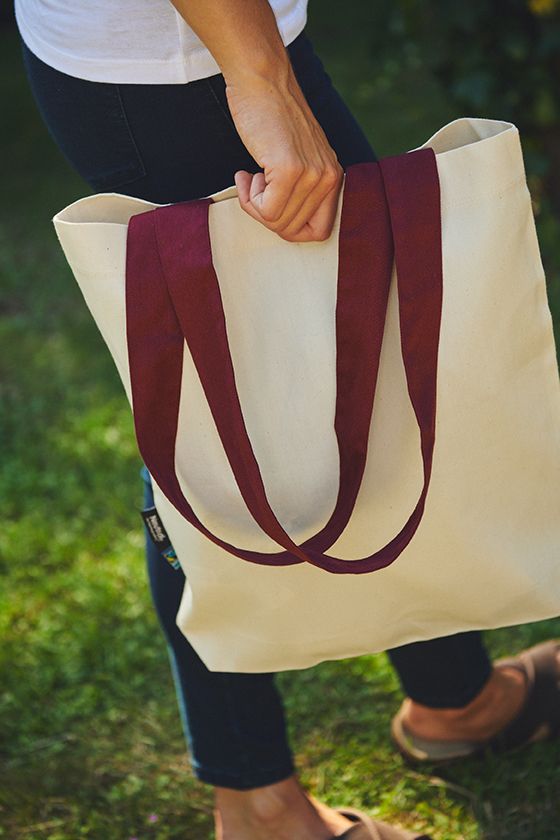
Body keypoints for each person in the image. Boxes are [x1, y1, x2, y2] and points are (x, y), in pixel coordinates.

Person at [15, 1, 560, 838]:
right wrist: (260, 81)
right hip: (189, 59)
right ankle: (258, 801)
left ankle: (454, 697)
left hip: (207, 46)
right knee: (210, 432)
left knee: (351, 377)